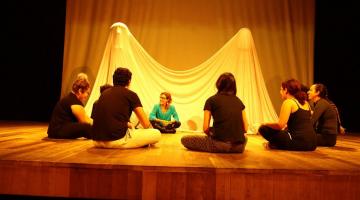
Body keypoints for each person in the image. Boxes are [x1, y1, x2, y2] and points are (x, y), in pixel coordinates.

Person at [91, 67, 161, 148]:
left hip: (96, 141)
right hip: (116, 140)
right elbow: (145, 123)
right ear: (129, 81)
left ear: (114, 80)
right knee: (156, 133)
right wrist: (150, 132)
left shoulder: (104, 94)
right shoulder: (131, 94)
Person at [181, 72, 248, 153]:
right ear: (234, 86)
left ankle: (221, 146)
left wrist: (214, 134)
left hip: (218, 145)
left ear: (218, 84)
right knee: (245, 138)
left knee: (184, 139)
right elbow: (246, 128)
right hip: (239, 148)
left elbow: (205, 128)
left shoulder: (211, 100)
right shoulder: (239, 101)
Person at [258, 79, 316, 151]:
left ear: (286, 90)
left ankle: (274, 144)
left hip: (300, 143)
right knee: (285, 131)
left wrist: (266, 123)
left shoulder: (288, 102)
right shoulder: (306, 103)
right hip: (313, 143)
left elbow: (280, 125)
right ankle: (275, 144)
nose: (280, 92)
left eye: (281, 89)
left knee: (263, 128)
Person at [47, 73, 93, 139]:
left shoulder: (71, 98)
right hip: (58, 131)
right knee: (86, 127)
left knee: (87, 126)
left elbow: (86, 118)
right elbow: (85, 121)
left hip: (55, 131)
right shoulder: (74, 102)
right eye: (87, 93)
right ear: (80, 91)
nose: (87, 96)